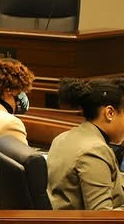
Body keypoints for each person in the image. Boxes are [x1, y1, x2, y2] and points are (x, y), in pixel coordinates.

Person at [46, 78, 124, 210]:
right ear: (109, 113)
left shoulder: (63, 137)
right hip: (79, 223)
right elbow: (102, 216)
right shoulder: (95, 150)